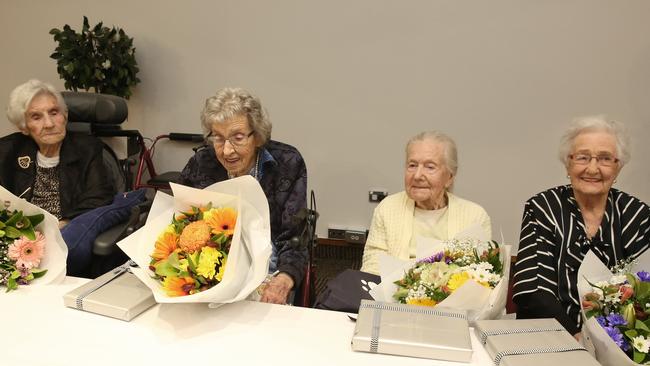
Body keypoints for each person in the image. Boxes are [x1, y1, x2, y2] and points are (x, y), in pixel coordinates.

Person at [512, 116, 650, 337]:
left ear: (618, 167)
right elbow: (533, 289)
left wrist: (614, 340)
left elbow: (644, 292)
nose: (593, 169)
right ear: (568, 163)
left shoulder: (637, 215)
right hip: (547, 337)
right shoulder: (543, 208)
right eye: (583, 157)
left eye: (605, 159)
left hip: (618, 342)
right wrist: (576, 334)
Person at [178, 87, 308, 305]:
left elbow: (295, 237)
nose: (227, 150)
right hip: (211, 264)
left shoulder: (287, 163)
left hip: (268, 263)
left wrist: (284, 278)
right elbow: (182, 224)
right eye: (218, 138)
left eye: (237, 138)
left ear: (257, 137)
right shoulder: (202, 164)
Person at [0, 79, 116, 275]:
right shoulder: (7, 152)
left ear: (65, 115)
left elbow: (99, 197)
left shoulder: (88, 148)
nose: (49, 123)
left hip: (64, 238)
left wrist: (60, 224)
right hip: (18, 242)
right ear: (24, 127)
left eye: (54, 113)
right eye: (36, 117)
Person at [361, 131, 492, 275]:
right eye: (412, 165)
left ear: (449, 177)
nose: (417, 176)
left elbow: (479, 275)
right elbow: (371, 267)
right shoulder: (387, 208)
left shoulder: (475, 217)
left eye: (430, 167)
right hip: (388, 294)